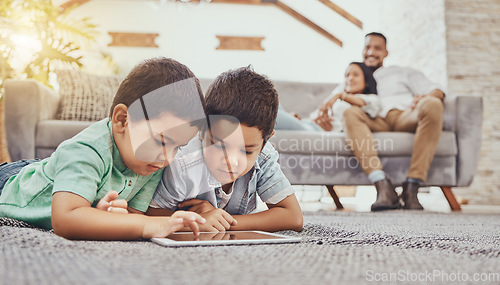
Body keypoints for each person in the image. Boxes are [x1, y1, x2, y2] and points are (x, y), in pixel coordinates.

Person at [0, 57, 208, 240]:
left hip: (51, 170)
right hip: (10, 183)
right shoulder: (85, 150)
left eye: (177, 148)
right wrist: (149, 225)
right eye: (161, 142)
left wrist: (104, 215)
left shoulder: (151, 162)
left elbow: (133, 216)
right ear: (122, 120)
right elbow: (66, 219)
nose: (167, 159)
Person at [146, 67, 303, 232]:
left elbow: (293, 217)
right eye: (220, 146)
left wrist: (220, 220)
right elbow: (152, 215)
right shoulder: (182, 163)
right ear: (202, 130)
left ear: (265, 142)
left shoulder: (263, 156)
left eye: (247, 151)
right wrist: (198, 221)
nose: (231, 161)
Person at [316, 32, 445, 211]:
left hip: (403, 115)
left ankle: (412, 187)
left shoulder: (401, 72)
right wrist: (321, 119)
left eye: (377, 48)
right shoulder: (353, 76)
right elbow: (327, 107)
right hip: (371, 120)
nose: (371, 52)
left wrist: (426, 96)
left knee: (433, 103)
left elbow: (437, 90)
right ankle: (383, 187)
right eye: (367, 47)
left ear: (386, 52)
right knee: (351, 113)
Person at [275, 62, 382, 132]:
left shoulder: (372, 99)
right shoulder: (339, 100)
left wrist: (339, 95)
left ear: (367, 81)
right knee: (272, 102)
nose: (350, 78)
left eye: (355, 75)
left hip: (314, 131)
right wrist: (297, 119)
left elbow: (363, 102)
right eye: (347, 75)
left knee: (269, 114)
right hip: (307, 124)